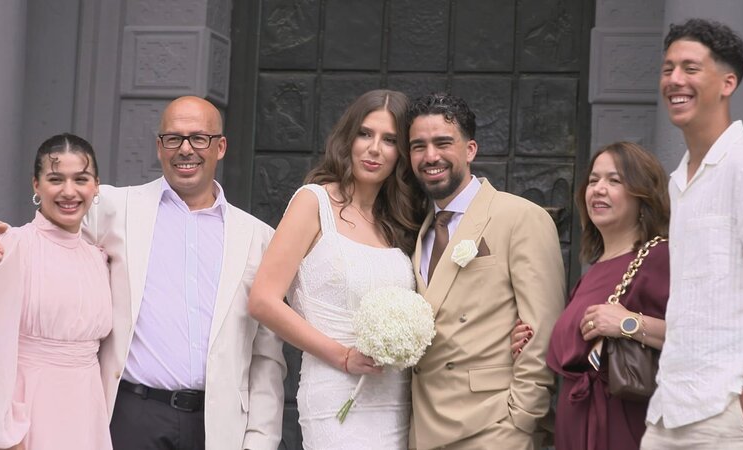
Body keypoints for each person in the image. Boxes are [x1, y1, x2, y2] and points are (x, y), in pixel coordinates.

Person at [0, 96, 286, 450]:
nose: (185, 149)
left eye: (199, 138)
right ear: (159, 146)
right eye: (173, 138)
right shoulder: (115, 207)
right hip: (132, 415)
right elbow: (49, 227)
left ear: (220, 146)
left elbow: (266, 356)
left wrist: (260, 440)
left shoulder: (257, 238)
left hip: (218, 424)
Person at [248, 89, 426, 449]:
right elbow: (263, 300)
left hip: (396, 398)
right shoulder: (313, 202)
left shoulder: (403, 221)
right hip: (335, 394)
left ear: (401, 154)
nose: (374, 148)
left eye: (389, 140)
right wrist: (342, 356)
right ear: (349, 138)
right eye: (365, 133)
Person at [405, 93, 566, 450]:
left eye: (443, 143)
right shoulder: (421, 230)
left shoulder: (521, 217)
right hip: (424, 427)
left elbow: (542, 329)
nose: (430, 156)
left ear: (470, 149)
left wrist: (522, 420)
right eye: (419, 146)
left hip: (494, 427)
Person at [641, 19, 743, 449]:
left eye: (690, 68)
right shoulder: (679, 180)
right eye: (667, 68)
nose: (674, 79)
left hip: (728, 411)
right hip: (669, 408)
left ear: (727, 82)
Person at [512, 142, 671, 449]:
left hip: (620, 425)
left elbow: (696, 338)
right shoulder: (594, 271)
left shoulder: (659, 258)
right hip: (575, 425)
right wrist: (526, 341)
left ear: (643, 195)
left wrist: (628, 324)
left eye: (614, 180)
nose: (599, 189)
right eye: (594, 180)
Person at [0, 134, 112, 449]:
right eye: (56, 179)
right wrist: (0, 434)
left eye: (81, 179)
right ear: (36, 185)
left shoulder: (98, 256)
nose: (69, 191)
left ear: (96, 185)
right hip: (28, 414)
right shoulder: (11, 247)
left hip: (87, 411)